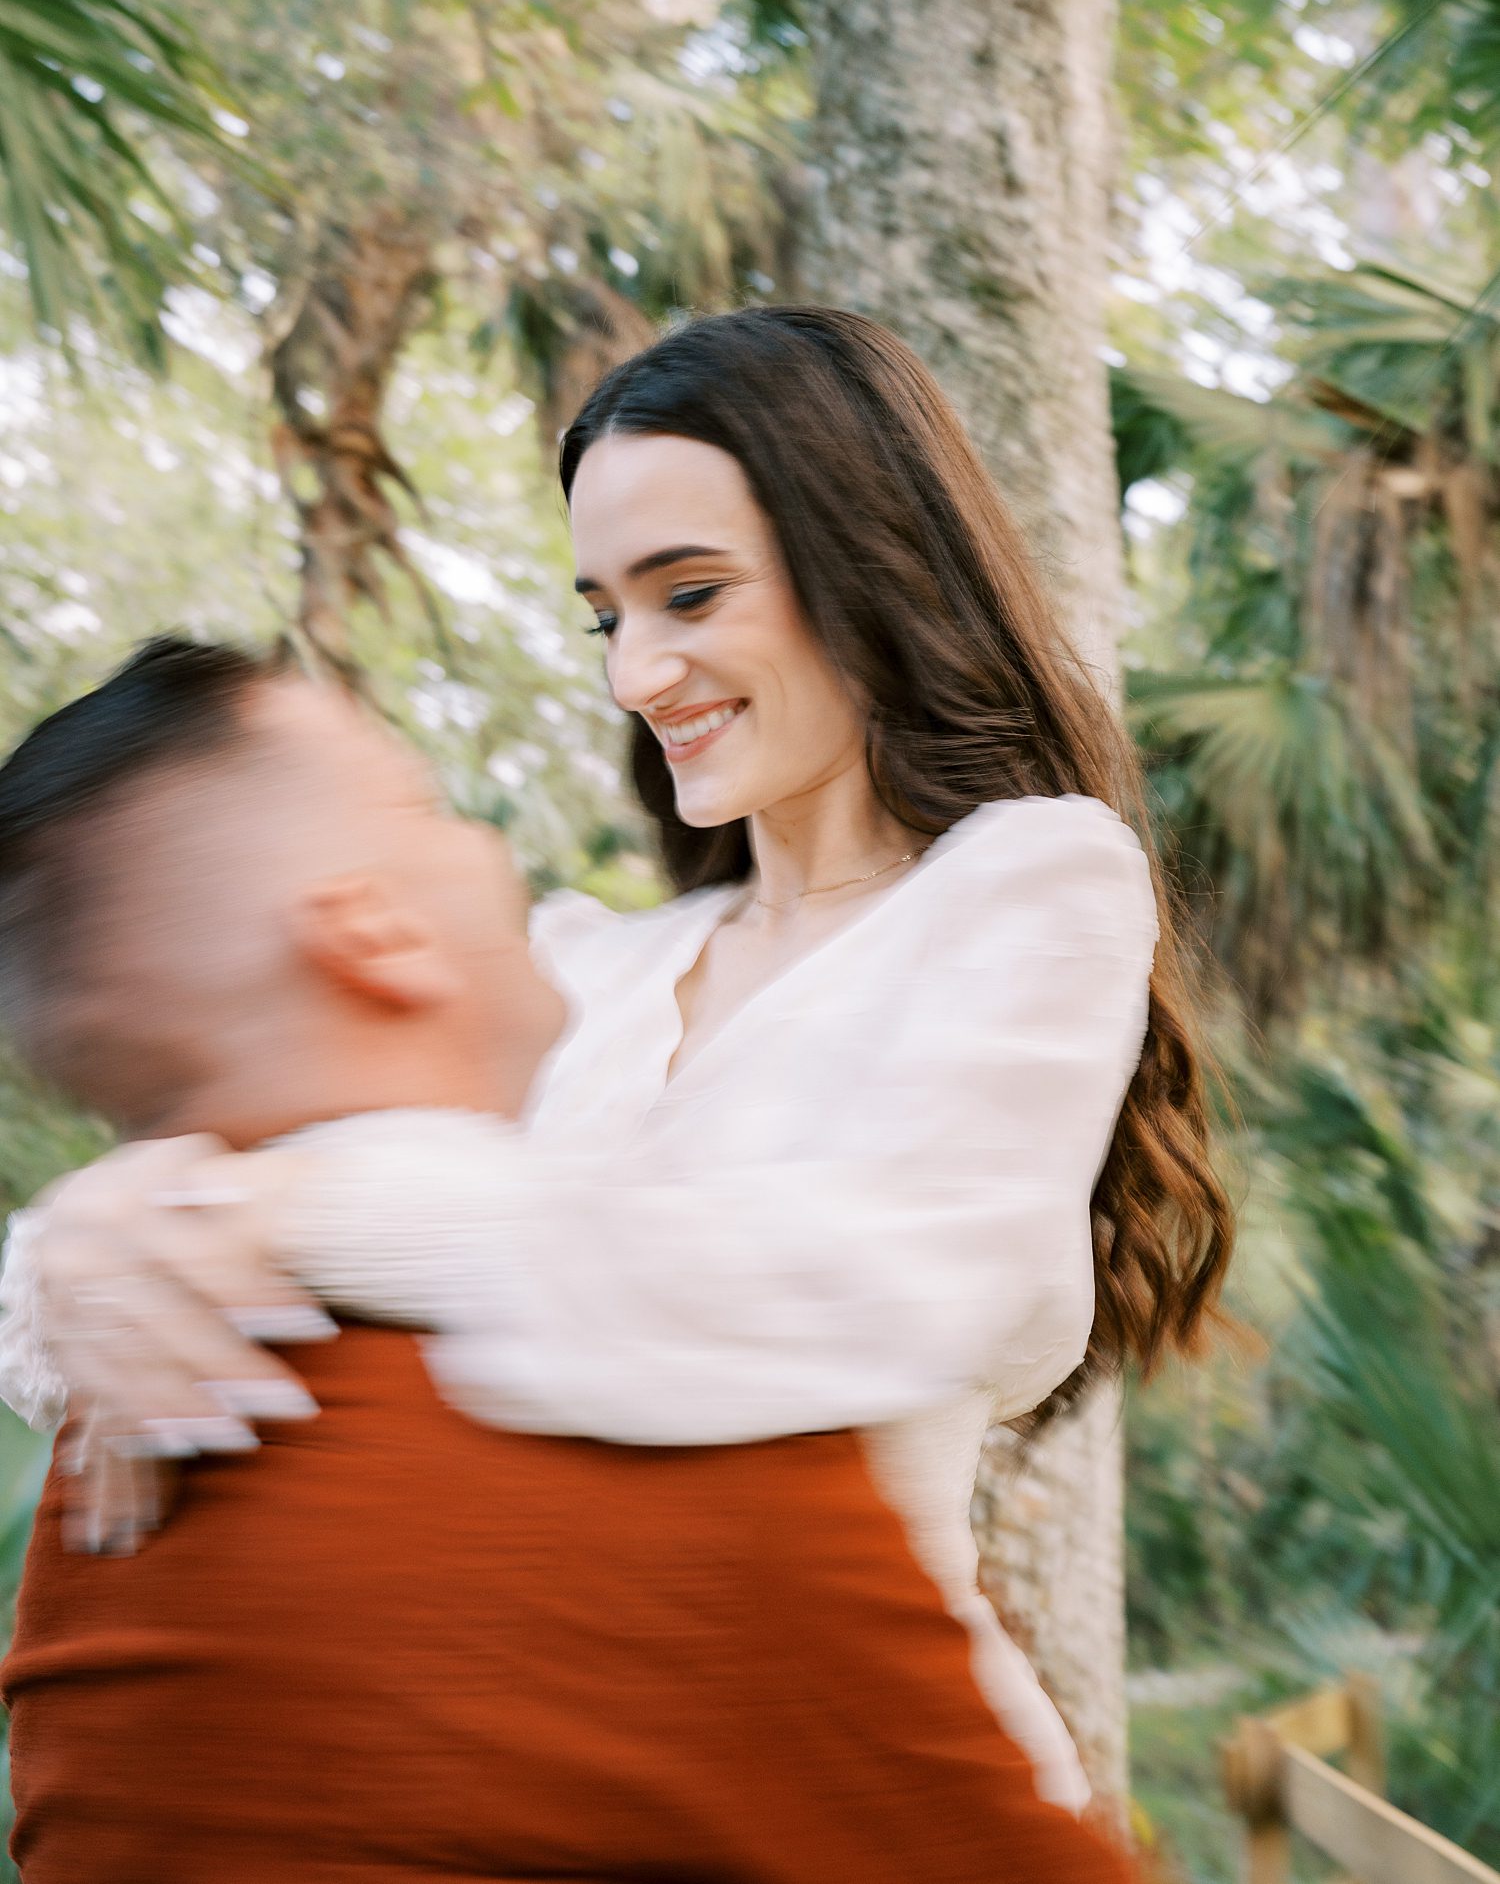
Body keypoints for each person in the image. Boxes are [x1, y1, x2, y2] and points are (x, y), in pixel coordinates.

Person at [0, 306, 1235, 1811]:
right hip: (573, 1790)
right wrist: (94, 1232)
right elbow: (172, 1288)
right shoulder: (587, 966)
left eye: (691, 594)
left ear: (866, 565)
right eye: (606, 616)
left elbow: (859, 1280)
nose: (636, 675)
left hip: (876, 1797)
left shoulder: (1034, 885)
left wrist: (284, 1215)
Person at [0, 638, 1140, 1884]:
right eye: (427, 807)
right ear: (373, 933)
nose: (639, 674)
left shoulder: (100, 1477)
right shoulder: (674, 1451)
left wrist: (228, 1199)